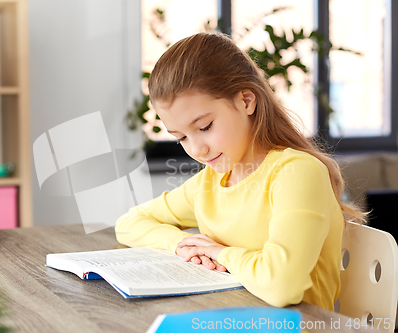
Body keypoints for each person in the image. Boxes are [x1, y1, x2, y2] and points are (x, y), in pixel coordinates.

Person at [115, 32, 366, 310]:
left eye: (205, 127)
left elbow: (282, 286)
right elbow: (128, 223)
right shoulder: (209, 184)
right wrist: (183, 243)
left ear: (246, 101)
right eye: (181, 138)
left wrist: (220, 253)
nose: (196, 150)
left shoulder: (296, 172)